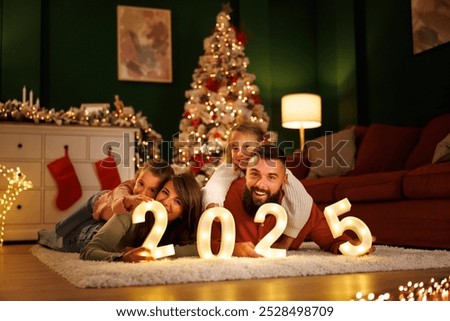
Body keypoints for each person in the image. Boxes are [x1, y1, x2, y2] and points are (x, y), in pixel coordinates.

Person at [211, 144, 375, 257]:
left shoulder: (301, 206)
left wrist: (350, 246)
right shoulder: (226, 199)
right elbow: (201, 241)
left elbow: (330, 238)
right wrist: (231, 249)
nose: (261, 184)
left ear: (284, 180)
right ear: (245, 173)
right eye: (254, 174)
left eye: (272, 177)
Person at [202, 121, 312, 248]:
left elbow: (301, 200)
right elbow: (214, 186)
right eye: (234, 148)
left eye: (247, 147)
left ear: (262, 145)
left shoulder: (276, 169)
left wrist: (286, 242)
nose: (239, 154)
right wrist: (212, 205)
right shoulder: (229, 168)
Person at [38, 159, 174, 252]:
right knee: (61, 229)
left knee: (65, 238)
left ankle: (46, 236)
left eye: (152, 190)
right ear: (135, 178)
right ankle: (49, 233)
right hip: (97, 203)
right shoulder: (126, 188)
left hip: (104, 221)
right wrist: (129, 200)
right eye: (141, 183)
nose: (142, 192)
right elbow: (116, 207)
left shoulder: (151, 208)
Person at [80, 172, 202, 262]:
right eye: (165, 192)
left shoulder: (184, 229)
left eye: (178, 202)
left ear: (184, 213)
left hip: (105, 223)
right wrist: (122, 257)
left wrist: (157, 253)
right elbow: (88, 251)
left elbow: (198, 248)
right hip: (87, 231)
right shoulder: (131, 212)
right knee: (62, 237)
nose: (166, 202)